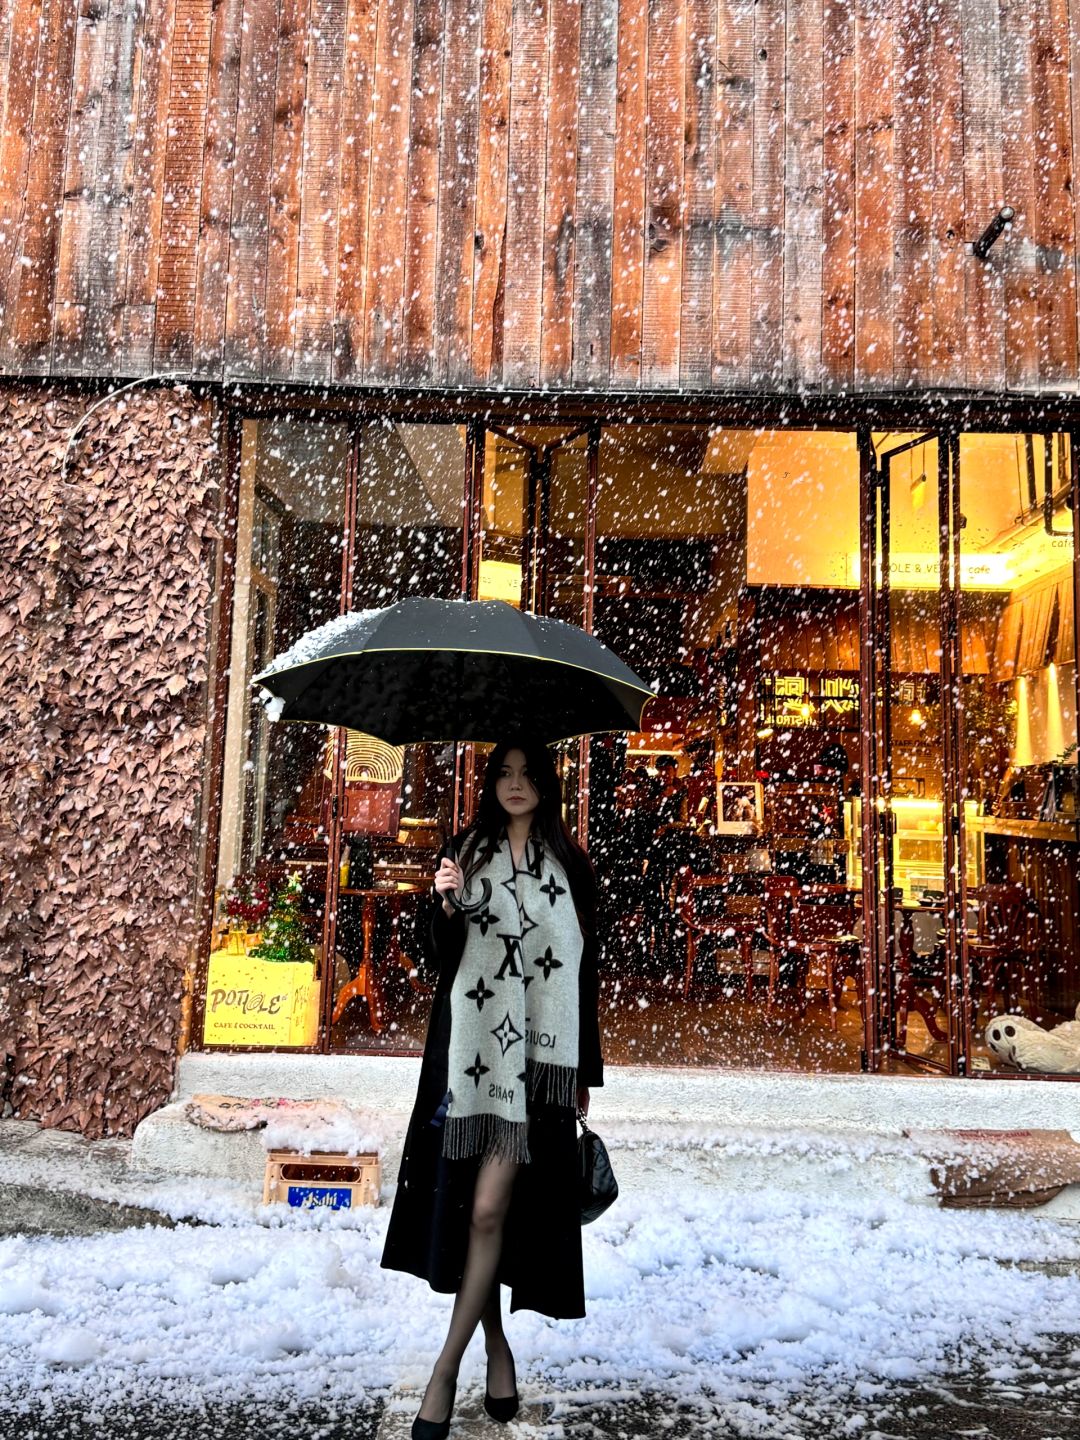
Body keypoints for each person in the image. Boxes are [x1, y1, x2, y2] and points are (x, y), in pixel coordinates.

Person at [381, 737, 604, 1440]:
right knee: (471, 1216)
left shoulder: (569, 865)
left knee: (485, 1213)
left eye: (526, 773)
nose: (515, 784)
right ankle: (496, 1348)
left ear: (545, 783)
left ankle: (445, 1371)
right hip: (468, 1059)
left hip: (539, 1070)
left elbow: (581, 975)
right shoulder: (465, 850)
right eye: (503, 774)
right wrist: (444, 907)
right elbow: (438, 960)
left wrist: (583, 1075)